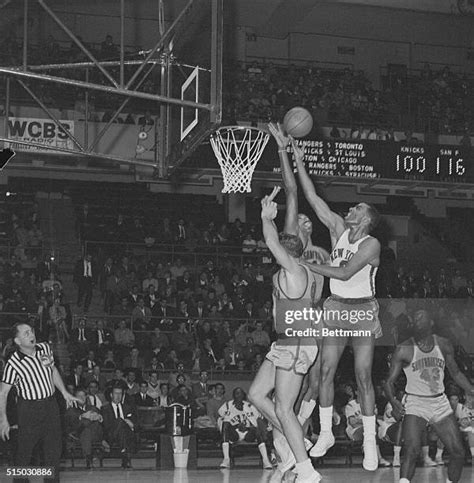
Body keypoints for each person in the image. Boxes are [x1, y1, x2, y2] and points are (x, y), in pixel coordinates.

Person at [294, 138, 382, 471]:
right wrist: (300, 161)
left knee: (362, 375)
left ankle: (371, 443)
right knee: (326, 371)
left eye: (357, 207)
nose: (351, 209)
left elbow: (344, 271)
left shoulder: (371, 243)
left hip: (361, 309)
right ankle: (327, 432)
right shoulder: (338, 230)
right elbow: (314, 198)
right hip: (334, 307)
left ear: (366, 218)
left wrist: (308, 265)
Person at [248, 187, 322, 483]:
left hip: (298, 342)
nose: (275, 247)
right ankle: (297, 442)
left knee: (283, 407)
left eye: (280, 245)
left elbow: (270, 239)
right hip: (285, 341)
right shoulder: (283, 275)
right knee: (256, 394)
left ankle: (306, 471)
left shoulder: (295, 269)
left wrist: (267, 219)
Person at [268, 122, 329, 432]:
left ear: (311, 228)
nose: (300, 218)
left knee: (316, 381)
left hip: (316, 313)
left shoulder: (321, 253)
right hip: (294, 316)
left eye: (306, 218)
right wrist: (283, 150)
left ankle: (302, 426)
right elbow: (292, 190)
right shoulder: (292, 240)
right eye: (299, 217)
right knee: (295, 385)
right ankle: (290, 436)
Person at [385, 308, 474, 483]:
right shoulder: (404, 348)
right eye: (414, 319)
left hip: (440, 402)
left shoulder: (443, 344)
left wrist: (471, 389)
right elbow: (388, 382)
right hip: (416, 403)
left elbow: (455, 373)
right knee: (411, 450)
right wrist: (394, 401)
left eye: (420, 317)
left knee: (458, 452)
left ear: (430, 322)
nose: (416, 320)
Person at [0, 322, 78, 482]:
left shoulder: (44, 348)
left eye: (32, 331)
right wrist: (4, 420)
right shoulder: (13, 363)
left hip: (50, 406)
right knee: (24, 452)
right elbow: (3, 393)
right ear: (17, 341)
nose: (31, 335)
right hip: (29, 409)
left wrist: (64, 392)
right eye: (26, 333)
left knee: (53, 451)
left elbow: (52, 370)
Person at [218, 387, 272, 470]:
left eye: (241, 393)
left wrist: (248, 427)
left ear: (244, 395)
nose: (239, 395)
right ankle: (226, 459)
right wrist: (236, 426)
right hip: (234, 434)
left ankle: (265, 460)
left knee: (257, 430)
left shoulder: (250, 406)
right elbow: (221, 419)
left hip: (248, 433)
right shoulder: (227, 405)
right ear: (233, 395)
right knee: (225, 425)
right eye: (237, 393)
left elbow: (257, 421)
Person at [64, 387, 103, 468]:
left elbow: (100, 420)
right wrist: (82, 416)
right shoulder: (71, 410)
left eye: (83, 396)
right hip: (82, 435)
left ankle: (88, 457)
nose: (81, 398)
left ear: (86, 397)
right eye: (79, 396)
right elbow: (70, 423)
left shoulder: (93, 408)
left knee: (88, 425)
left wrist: (99, 417)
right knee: (86, 430)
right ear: (75, 398)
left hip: (95, 434)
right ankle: (89, 457)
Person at [101, 385, 137, 469]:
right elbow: (106, 426)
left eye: (120, 394)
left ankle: (124, 452)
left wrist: (132, 425)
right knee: (120, 421)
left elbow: (136, 423)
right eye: (116, 393)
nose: (118, 396)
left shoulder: (128, 408)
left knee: (123, 429)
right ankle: (126, 458)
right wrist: (122, 422)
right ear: (111, 395)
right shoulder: (105, 408)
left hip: (126, 434)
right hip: (111, 435)